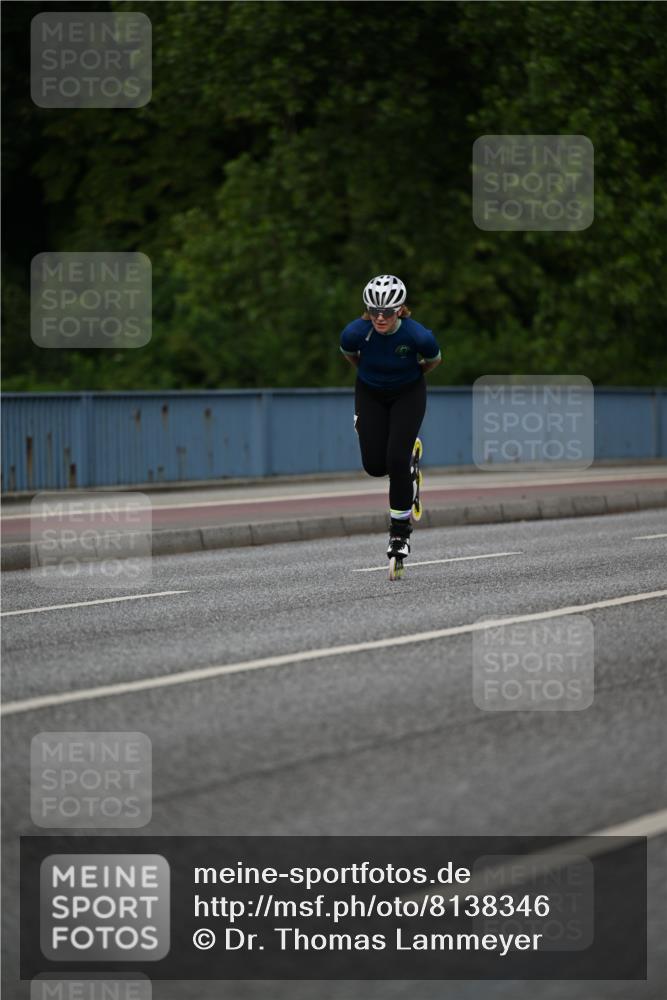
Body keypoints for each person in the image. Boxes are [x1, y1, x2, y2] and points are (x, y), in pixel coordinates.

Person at [340, 274, 442, 563]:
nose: (380, 317)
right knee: (375, 466)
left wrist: (408, 376)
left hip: (408, 393)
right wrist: (374, 375)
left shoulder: (418, 335)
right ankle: (405, 463)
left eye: (386, 311)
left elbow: (434, 360)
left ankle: (399, 534)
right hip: (370, 392)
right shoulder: (354, 333)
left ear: (400, 309)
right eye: (374, 311)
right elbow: (351, 356)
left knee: (396, 460)